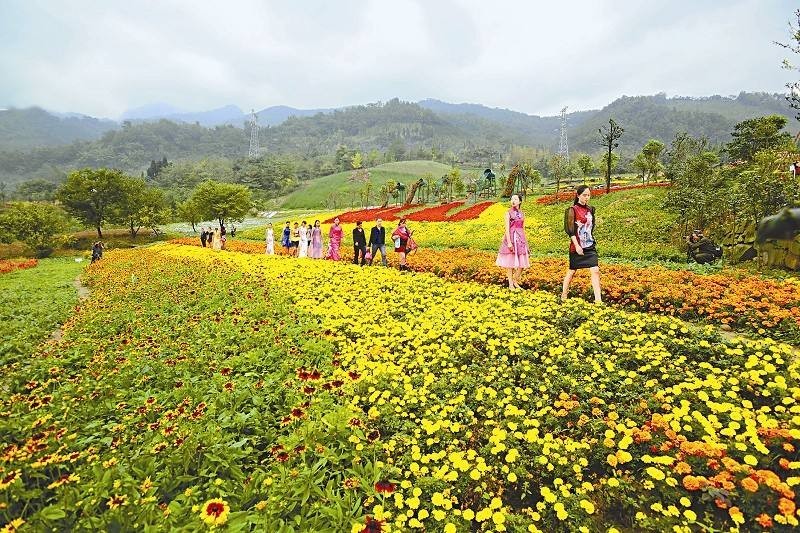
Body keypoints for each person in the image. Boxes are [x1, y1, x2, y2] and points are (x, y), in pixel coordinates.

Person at [561, 185, 602, 304]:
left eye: (588, 195)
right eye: (584, 195)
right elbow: (570, 230)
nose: (587, 197)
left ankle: (598, 300)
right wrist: (577, 245)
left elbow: (590, 227)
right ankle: (564, 294)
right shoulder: (572, 210)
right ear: (578, 195)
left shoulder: (591, 209)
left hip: (589, 245)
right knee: (572, 271)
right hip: (577, 246)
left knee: (595, 270)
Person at [495, 194, 530, 290]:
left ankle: (515, 281)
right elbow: (507, 228)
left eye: (515, 199)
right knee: (510, 262)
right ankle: (511, 284)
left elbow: (523, 228)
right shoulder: (508, 213)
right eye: (512, 199)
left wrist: (526, 243)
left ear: (520, 201)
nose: (513, 201)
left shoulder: (522, 213)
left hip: (520, 238)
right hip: (511, 237)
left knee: (522, 263)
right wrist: (509, 242)